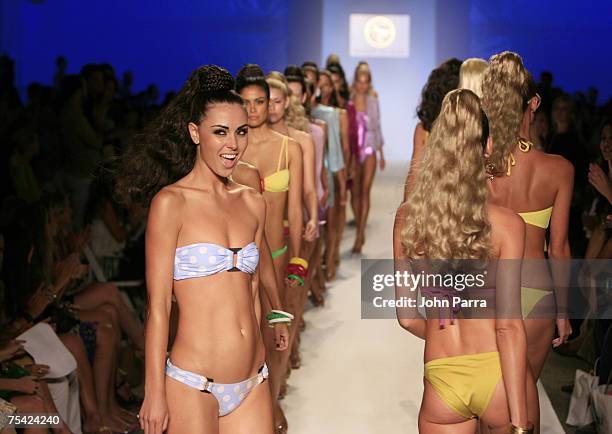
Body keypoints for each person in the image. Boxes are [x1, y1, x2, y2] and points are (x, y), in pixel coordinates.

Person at [116, 65, 277, 433]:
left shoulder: (253, 202)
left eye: (241, 132)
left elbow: (252, 292)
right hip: (193, 383)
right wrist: (153, 391)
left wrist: (269, 337)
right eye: (219, 132)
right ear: (194, 132)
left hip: (253, 380)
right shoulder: (171, 204)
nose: (232, 145)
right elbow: (158, 308)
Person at [395, 88, 532, 433]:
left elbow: (408, 318)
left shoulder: (407, 219)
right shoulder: (507, 225)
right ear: (487, 147)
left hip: (443, 376)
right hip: (497, 373)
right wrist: (519, 424)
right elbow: (508, 327)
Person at [482, 52, 573, 432]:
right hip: (537, 295)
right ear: (533, 102)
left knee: (490, 404)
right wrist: (565, 313)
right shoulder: (558, 169)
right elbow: (559, 248)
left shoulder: (478, 163)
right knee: (522, 402)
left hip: (487, 291)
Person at [235, 64, 303, 434]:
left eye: (260, 101)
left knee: (273, 333)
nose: (255, 109)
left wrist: (298, 257)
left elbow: (295, 208)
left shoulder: (287, 147)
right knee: (248, 337)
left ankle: (271, 401)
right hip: (239, 258)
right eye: (247, 102)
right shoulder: (229, 152)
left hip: (274, 253)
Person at [403, 58, 462, 201]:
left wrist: (405, 207)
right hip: (462, 202)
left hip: (431, 204)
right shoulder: (470, 127)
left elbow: (415, 173)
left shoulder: (424, 129)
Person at [349, 63, 385, 254]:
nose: (362, 85)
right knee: (354, 193)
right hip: (354, 151)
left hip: (370, 148)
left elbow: (377, 125)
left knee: (365, 191)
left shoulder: (373, 101)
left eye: (366, 82)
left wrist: (381, 154)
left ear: (369, 83)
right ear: (355, 82)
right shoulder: (350, 101)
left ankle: (360, 233)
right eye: (359, 81)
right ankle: (359, 223)